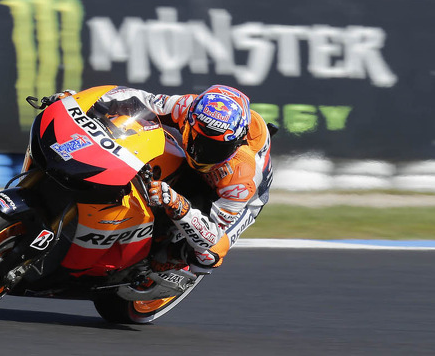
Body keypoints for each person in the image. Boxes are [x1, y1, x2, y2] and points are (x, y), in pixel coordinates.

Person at [48, 84, 274, 274]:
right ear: (191, 121)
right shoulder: (187, 107)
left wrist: (178, 204)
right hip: (186, 154)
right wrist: (78, 102)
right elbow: (137, 98)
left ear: (236, 142)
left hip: (233, 197)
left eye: (216, 148)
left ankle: (165, 264)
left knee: (207, 256)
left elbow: (211, 235)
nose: (204, 152)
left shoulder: (242, 178)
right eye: (201, 140)